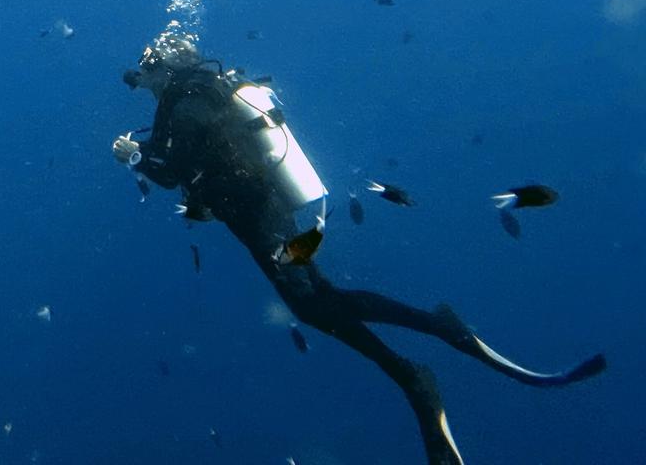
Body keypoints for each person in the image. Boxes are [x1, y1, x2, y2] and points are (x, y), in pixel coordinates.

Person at [114, 28, 606, 465]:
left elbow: (171, 170)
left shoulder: (187, 100)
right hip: (269, 213)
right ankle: (414, 377)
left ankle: (431, 341)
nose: (145, 80)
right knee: (319, 297)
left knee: (311, 304)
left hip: (261, 217)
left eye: (149, 70)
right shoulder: (202, 94)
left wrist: (132, 155)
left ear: (164, 68)